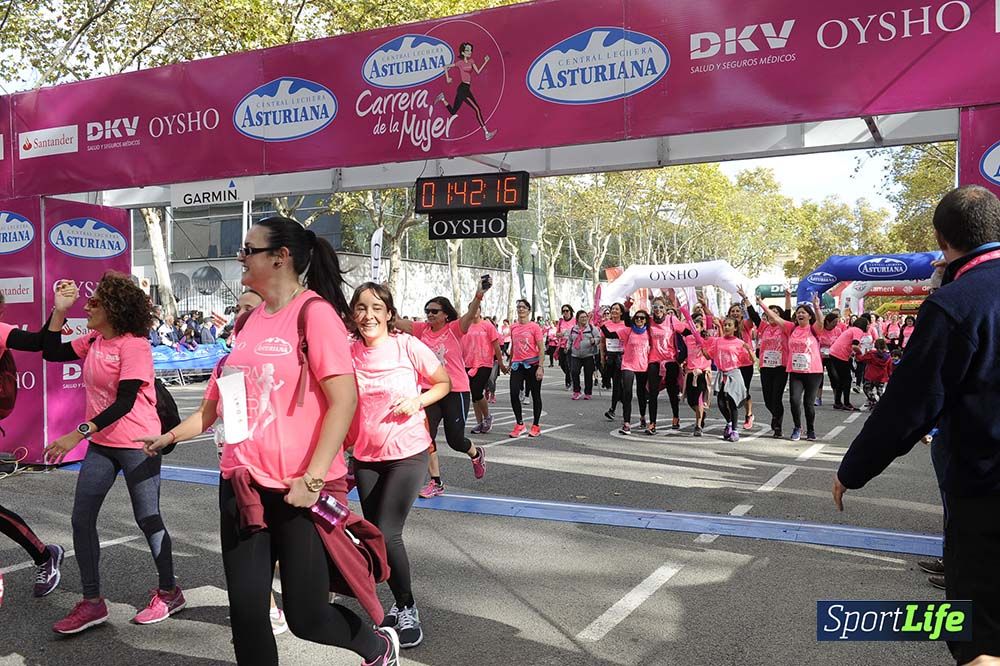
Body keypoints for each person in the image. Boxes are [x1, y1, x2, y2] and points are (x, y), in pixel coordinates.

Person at [140, 217, 400, 665]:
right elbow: (223, 403)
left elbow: (344, 401)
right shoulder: (249, 322)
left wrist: (313, 479)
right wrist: (168, 435)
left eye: (249, 248)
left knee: (307, 616)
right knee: (246, 611)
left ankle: (377, 648)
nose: (241, 256)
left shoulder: (314, 314)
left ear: (280, 258)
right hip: (242, 482)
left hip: (302, 490)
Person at [834, 185, 1000, 666]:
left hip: (985, 493)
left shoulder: (956, 303)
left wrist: (853, 470)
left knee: (980, 638)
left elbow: (909, 406)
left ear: (941, 240)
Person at [42, 273, 182, 634]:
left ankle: (169, 592)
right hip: (103, 445)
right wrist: (59, 312)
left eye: (95, 303)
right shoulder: (95, 339)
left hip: (139, 442)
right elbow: (50, 351)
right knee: (81, 519)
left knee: (148, 519)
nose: (87, 307)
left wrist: (77, 433)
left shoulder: (133, 345)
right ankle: (92, 603)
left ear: (114, 310)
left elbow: (125, 401)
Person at [347, 282, 451, 649]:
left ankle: (407, 607)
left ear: (389, 313)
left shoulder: (407, 345)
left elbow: (443, 382)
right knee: (373, 535)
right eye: (361, 308)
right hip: (365, 456)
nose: (368, 315)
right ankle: (396, 600)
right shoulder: (348, 352)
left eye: (376, 308)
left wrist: (418, 401)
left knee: (388, 532)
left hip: (407, 451)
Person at [395, 291, 488, 500]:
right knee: (425, 437)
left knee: (455, 440)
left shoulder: (455, 329)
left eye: (434, 311)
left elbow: (471, 313)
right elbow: (396, 321)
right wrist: (383, 298)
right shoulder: (421, 329)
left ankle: (476, 454)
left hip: (456, 390)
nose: (430, 315)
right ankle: (435, 482)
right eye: (427, 311)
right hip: (430, 390)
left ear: (446, 314)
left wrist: (479, 296)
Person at [758, 294, 826, 441]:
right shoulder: (791, 328)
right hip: (795, 371)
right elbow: (776, 318)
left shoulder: (814, 329)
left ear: (809, 316)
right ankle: (797, 427)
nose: (800, 314)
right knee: (794, 400)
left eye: (803, 312)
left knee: (808, 404)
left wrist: (816, 306)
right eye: (798, 312)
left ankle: (811, 430)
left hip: (813, 372)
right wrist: (761, 304)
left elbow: (821, 320)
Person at [700, 317, 754, 442]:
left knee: (732, 402)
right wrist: (702, 349)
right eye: (725, 325)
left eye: (729, 325)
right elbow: (710, 355)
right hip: (721, 374)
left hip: (734, 374)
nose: (726, 327)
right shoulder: (718, 341)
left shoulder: (739, 343)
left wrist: (749, 350)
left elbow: (750, 360)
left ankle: (734, 430)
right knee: (720, 402)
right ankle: (729, 422)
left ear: (735, 328)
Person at [435, 41, 496, 140]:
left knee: (453, 112)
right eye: (467, 50)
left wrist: (485, 61)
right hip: (463, 89)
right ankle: (486, 133)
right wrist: (447, 78)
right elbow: (446, 66)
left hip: (465, 88)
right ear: (463, 52)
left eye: (470, 50)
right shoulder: (460, 63)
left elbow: (478, 71)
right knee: (477, 109)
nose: (470, 52)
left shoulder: (471, 61)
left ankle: (442, 98)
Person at [645, 296, 687, 434]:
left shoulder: (671, 320)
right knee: (652, 392)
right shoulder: (649, 321)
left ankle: (676, 417)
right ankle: (652, 423)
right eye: (655, 307)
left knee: (672, 391)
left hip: (670, 360)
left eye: (661, 307)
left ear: (665, 308)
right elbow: (633, 325)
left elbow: (687, 332)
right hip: (654, 360)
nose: (658, 310)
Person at [463, 309, 506, 434]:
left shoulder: (487, 325)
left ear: (480, 311)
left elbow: (496, 345)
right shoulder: (466, 326)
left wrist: (501, 363)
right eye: (472, 308)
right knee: (475, 395)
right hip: (468, 363)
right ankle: (479, 422)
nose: (474, 311)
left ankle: (487, 417)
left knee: (477, 391)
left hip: (484, 363)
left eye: (477, 308)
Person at [507, 299, 545, 437]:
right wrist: (509, 362)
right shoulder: (513, 327)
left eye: (523, 307)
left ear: (529, 310)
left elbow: (541, 348)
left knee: (535, 395)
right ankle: (519, 424)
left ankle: (536, 425)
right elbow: (513, 346)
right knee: (513, 392)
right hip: (517, 365)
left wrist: (540, 367)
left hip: (533, 364)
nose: (521, 309)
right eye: (518, 307)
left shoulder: (534, 327)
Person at [755, 295, 791, 438]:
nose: (771, 315)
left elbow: (788, 313)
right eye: (769, 312)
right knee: (767, 399)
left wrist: (788, 296)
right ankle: (775, 414)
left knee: (776, 397)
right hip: (765, 367)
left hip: (780, 368)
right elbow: (753, 315)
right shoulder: (763, 327)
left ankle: (777, 425)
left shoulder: (785, 327)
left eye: (775, 312)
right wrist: (746, 299)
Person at [827, 315, 872, 411]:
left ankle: (838, 402)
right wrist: (861, 353)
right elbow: (855, 346)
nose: (869, 326)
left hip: (835, 353)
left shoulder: (852, 329)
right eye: (868, 324)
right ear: (863, 324)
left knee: (841, 380)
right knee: (847, 379)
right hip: (840, 355)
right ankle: (846, 403)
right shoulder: (858, 330)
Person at [681, 315, 712, 437]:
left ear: (701, 328)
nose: (694, 329)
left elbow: (710, 353)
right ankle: (701, 414)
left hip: (702, 373)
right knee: (691, 401)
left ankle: (698, 425)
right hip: (690, 372)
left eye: (697, 327)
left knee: (699, 399)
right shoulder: (687, 338)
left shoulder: (707, 339)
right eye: (692, 327)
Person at [601, 303, 627, 422]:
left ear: (621, 312)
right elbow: (602, 341)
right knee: (613, 383)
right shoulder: (606, 324)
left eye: (617, 309)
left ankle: (612, 409)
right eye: (613, 309)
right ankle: (622, 399)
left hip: (621, 357)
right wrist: (602, 357)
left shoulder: (625, 325)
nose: (614, 311)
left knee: (617, 383)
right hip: (610, 357)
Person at [567, 310, 600, 400]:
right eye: (582, 317)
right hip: (575, 354)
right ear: (577, 319)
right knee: (574, 372)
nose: (584, 319)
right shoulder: (573, 329)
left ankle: (588, 392)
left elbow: (598, 338)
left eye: (585, 317)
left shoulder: (592, 328)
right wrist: (568, 347)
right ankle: (576, 391)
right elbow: (570, 340)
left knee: (588, 374)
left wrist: (594, 341)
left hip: (588, 354)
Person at [854, 338, 892, 408]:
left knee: (867, 389)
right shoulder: (888, 357)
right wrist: (890, 376)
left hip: (871, 375)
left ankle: (873, 400)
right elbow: (890, 368)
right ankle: (883, 404)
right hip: (882, 377)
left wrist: (857, 353)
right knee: (880, 391)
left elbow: (861, 359)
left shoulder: (871, 354)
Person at [553, 305, 575, 390]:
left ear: (571, 311)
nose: (565, 313)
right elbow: (557, 334)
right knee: (562, 363)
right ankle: (572, 377)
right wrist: (561, 334)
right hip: (562, 345)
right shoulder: (561, 322)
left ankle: (568, 382)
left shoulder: (575, 321)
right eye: (563, 311)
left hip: (571, 345)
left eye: (567, 311)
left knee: (568, 364)